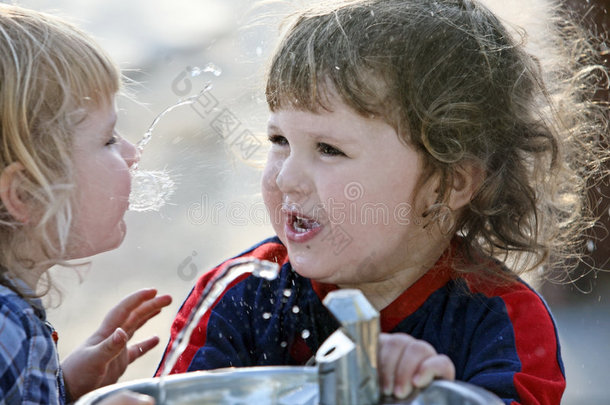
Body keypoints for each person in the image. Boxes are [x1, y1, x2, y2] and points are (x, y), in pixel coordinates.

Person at [157, 0, 608, 404]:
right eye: (279, 140)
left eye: (329, 149)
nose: (287, 177)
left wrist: (424, 397)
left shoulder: (501, 323)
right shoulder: (242, 296)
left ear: (447, 184)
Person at [0, 5, 172, 404]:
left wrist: (66, 388)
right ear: (25, 193)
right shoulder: (6, 329)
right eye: (109, 139)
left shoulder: (14, 315)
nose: (132, 153)